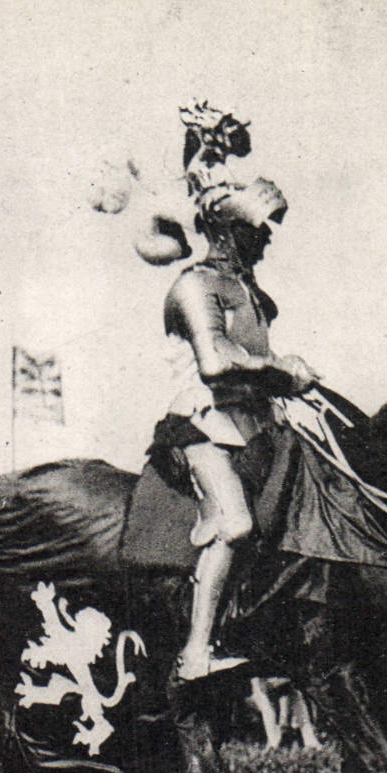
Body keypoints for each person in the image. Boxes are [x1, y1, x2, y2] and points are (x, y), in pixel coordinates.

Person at [148, 104, 319, 687]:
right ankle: (196, 652)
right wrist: (283, 370)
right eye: (256, 230)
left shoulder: (246, 292)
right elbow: (217, 364)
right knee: (237, 526)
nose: (265, 240)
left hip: (252, 426)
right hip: (202, 428)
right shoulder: (194, 286)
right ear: (225, 231)